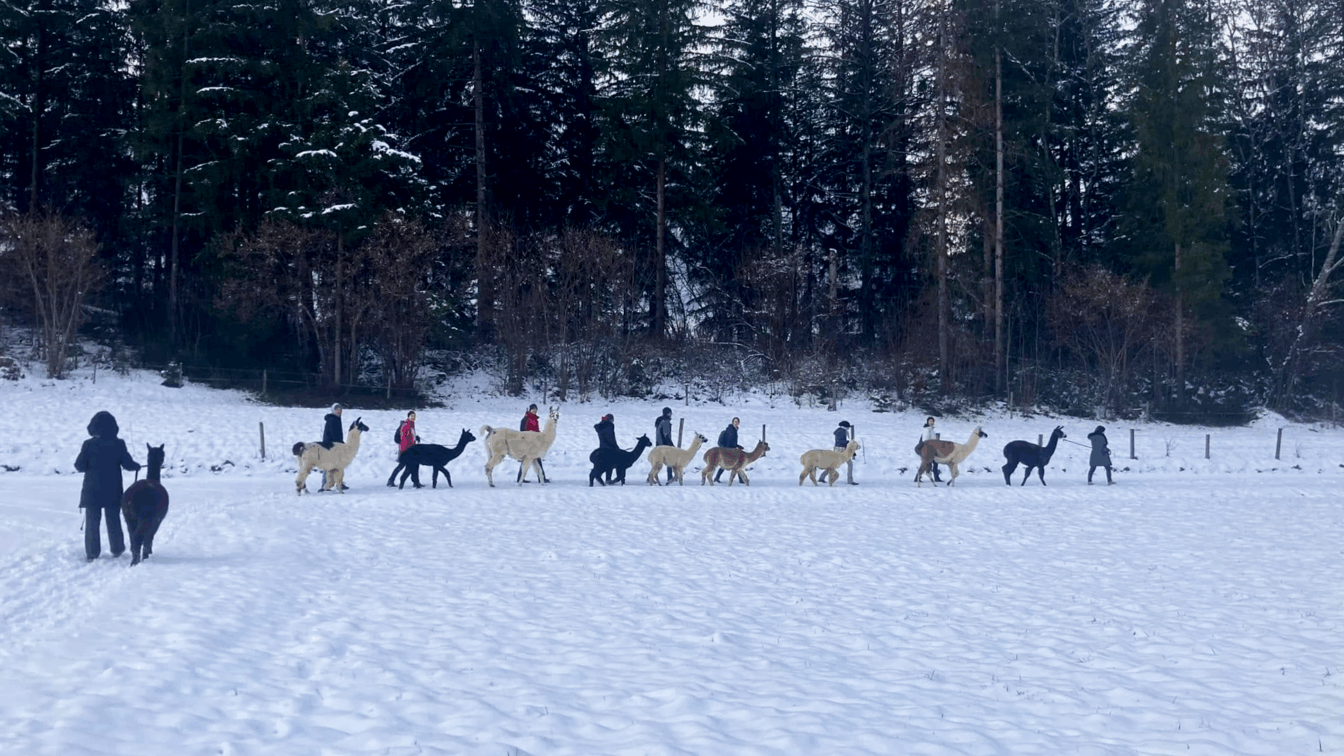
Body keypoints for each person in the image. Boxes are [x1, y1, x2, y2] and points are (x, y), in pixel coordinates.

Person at [74, 410, 141, 561]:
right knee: (114, 520)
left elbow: (79, 466)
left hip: (92, 491)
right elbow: (128, 464)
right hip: (113, 489)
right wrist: (137, 466)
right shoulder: (119, 443)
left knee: (92, 522)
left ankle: (92, 552)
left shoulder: (88, 444)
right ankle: (117, 548)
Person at [386, 411, 422, 488]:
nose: (413, 417)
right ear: (408, 416)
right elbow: (404, 438)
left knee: (414, 465)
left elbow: (411, 436)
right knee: (402, 465)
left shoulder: (412, 425)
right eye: (411, 416)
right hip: (405, 449)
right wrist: (410, 448)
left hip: (410, 449)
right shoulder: (405, 425)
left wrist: (416, 438)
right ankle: (391, 480)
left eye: (414, 416)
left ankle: (416, 482)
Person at [517, 404, 548, 483]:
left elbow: (537, 430)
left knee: (536, 460)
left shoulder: (535, 419)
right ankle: (541, 478)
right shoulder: (525, 419)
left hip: (535, 443)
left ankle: (541, 478)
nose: (535, 411)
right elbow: (522, 432)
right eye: (533, 410)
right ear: (530, 410)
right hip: (528, 443)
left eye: (536, 410)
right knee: (529, 460)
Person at [320, 403, 345, 490]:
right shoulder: (332, 419)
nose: (339, 411)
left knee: (339, 464)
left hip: (337, 445)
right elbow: (331, 433)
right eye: (337, 409)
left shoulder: (337, 418)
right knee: (328, 465)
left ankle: (340, 483)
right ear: (333, 410)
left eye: (340, 409)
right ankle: (324, 484)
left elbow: (338, 434)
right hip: (330, 446)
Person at [714, 417, 743, 483]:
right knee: (732, 464)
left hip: (732, 450)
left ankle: (717, 478)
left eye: (737, 422)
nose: (736, 423)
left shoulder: (735, 430)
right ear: (732, 422)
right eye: (735, 421)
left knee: (735, 464)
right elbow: (725, 442)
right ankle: (741, 479)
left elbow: (732, 442)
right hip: (728, 451)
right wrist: (726, 449)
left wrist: (738, 446)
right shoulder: (730, 430)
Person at [917, 415, 943, 483]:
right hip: (928, 449)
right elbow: (925, 440)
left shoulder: (932, 430)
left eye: (932, 421)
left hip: (933, 449)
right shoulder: (926, 429)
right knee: (925, 463)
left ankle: (936, 477)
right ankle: (917, 477)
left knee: (934, 463)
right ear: (927, 422)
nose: (931, 422)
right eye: (930, 421)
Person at [834, 420, 858, 485]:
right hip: (841, 450)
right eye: (848, 427)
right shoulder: (841, 431)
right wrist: (848, 443)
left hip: (839, 449)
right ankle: (850, 480)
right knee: (850, 464)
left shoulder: (840, 431)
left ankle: (822, 477)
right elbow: (841, 441)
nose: (848, 428)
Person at [654, 407, 675, 483]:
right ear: (667, 413)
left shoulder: (659, 421)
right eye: (670, 413)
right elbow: (666, 434)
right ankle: (670, 477)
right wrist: (671, 445)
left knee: (658, 461)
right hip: (665, 444)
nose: (671, 414)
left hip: (658, 443)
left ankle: (651, 476)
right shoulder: (665, 422)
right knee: (669, 460)